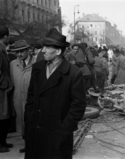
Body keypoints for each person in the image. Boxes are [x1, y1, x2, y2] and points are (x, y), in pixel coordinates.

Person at [24, 28, 86, 159]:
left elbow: (78, 106)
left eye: (47, 47)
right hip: (36, 129)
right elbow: (31, 97)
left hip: (58, 133)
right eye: (43, 47)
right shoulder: (37, 68)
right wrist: (29, 119)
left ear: (58, 51)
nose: (43, 50)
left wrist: (65, 129)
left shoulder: (73, 73)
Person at [10, 40, 36, 153]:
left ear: (28, 50)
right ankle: (27, 143)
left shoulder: (37, 63)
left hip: (32, 99)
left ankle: (33, 144)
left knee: (32, 122)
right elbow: (12, 81)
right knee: (21, 121)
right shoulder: (13, 64)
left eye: (21, 51)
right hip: (18, 98)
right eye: (17, 52)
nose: (19, 54)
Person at [0, 26, 15, 153]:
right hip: (1, 88)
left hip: (4, 87)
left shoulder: (2, 48)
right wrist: (3, 83)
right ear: (6, 36)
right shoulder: (0, 49)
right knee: (2, 115)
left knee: (5, 115)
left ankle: (2, 141)